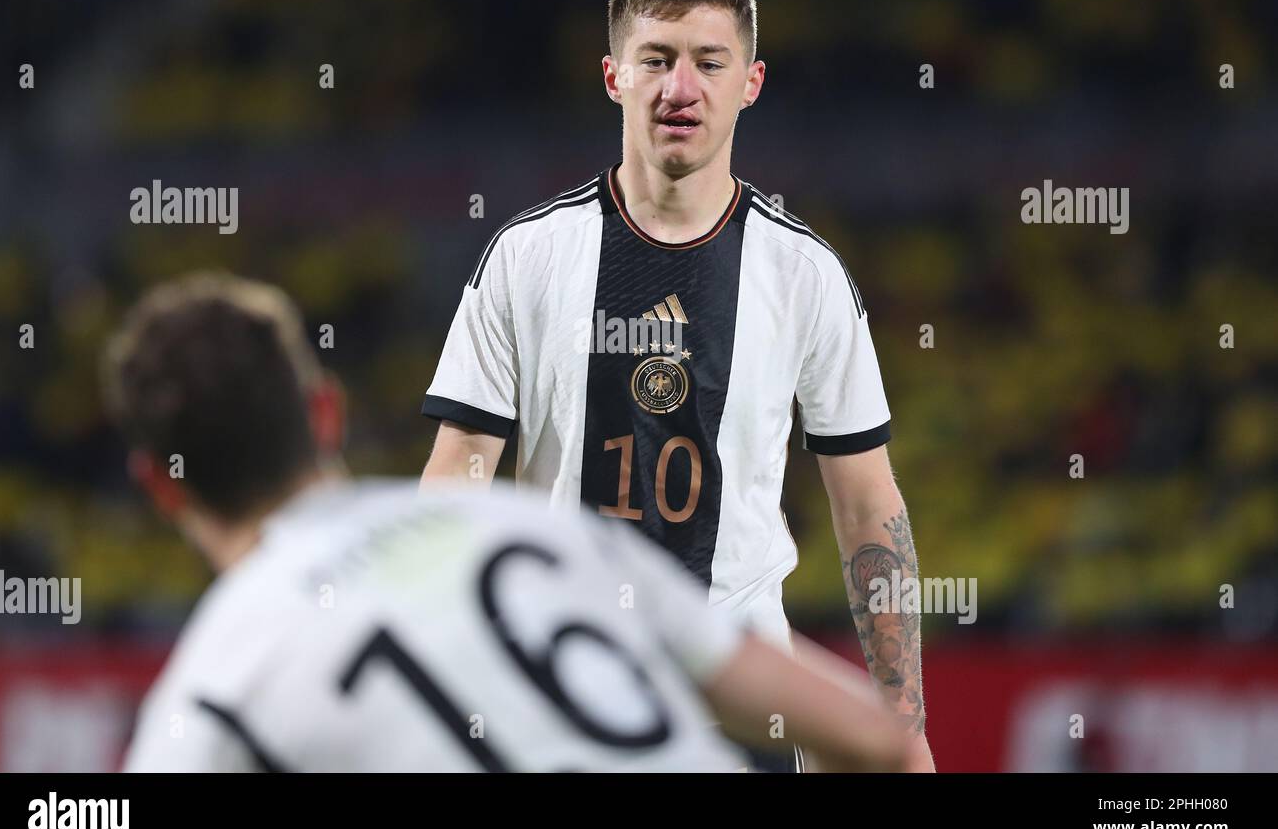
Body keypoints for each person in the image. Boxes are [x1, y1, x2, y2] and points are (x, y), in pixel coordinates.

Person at [421, 0, 933, 771]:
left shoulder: (805, 275)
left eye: (708, 62)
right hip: (560, 687)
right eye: (655, 60)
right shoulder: (527, 256)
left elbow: (868, 501)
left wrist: (903, 720)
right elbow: (458, 479)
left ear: (750, 83)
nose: (680, 88)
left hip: (740, 705)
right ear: (614, 76)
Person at [104, 272, 916, 772]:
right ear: (326, 411)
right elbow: (874, 740)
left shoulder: (216, 680)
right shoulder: (543, 533)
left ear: (160, 486)